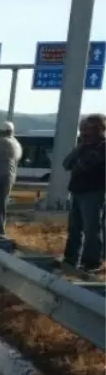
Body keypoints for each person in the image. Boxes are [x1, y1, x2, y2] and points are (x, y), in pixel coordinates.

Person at [61, 113, 106, 273]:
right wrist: (80, 147)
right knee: (74, 228)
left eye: (89, 128)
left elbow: (84, 165)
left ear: (100, 129)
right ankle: (71, 259)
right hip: (78, 191)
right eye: (84, 129)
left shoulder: (103, 146)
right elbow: (66, 163)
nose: (85, 132)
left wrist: (82, 151)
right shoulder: (83, 146)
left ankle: (92, 262)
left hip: (94, 192)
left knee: (91, 228)